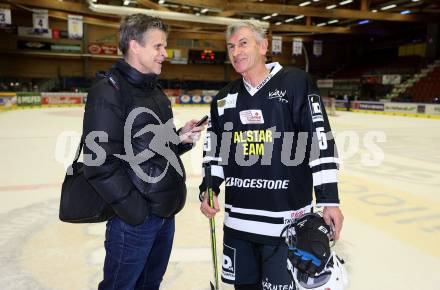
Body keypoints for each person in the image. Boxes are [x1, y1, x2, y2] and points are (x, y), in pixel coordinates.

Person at [199, 20, 343, 290]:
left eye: (243, 43)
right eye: (231, 46)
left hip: (285, 225)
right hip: (238, 223)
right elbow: (214, 152)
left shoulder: (296, 83)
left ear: (264, 46)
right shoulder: (223, 98)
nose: (236, 52)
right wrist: (209, 188)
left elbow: (319, 140)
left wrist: (329, 200)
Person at [82, 14, 204, 290]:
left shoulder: (154, 92)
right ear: (135, 46)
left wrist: (180, 139)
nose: (165, 53)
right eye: (158, 47)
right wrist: (135, 212)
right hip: (134, 222)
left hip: (163, 215)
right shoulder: (108, 91)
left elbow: (151, 150)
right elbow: (98, 163)